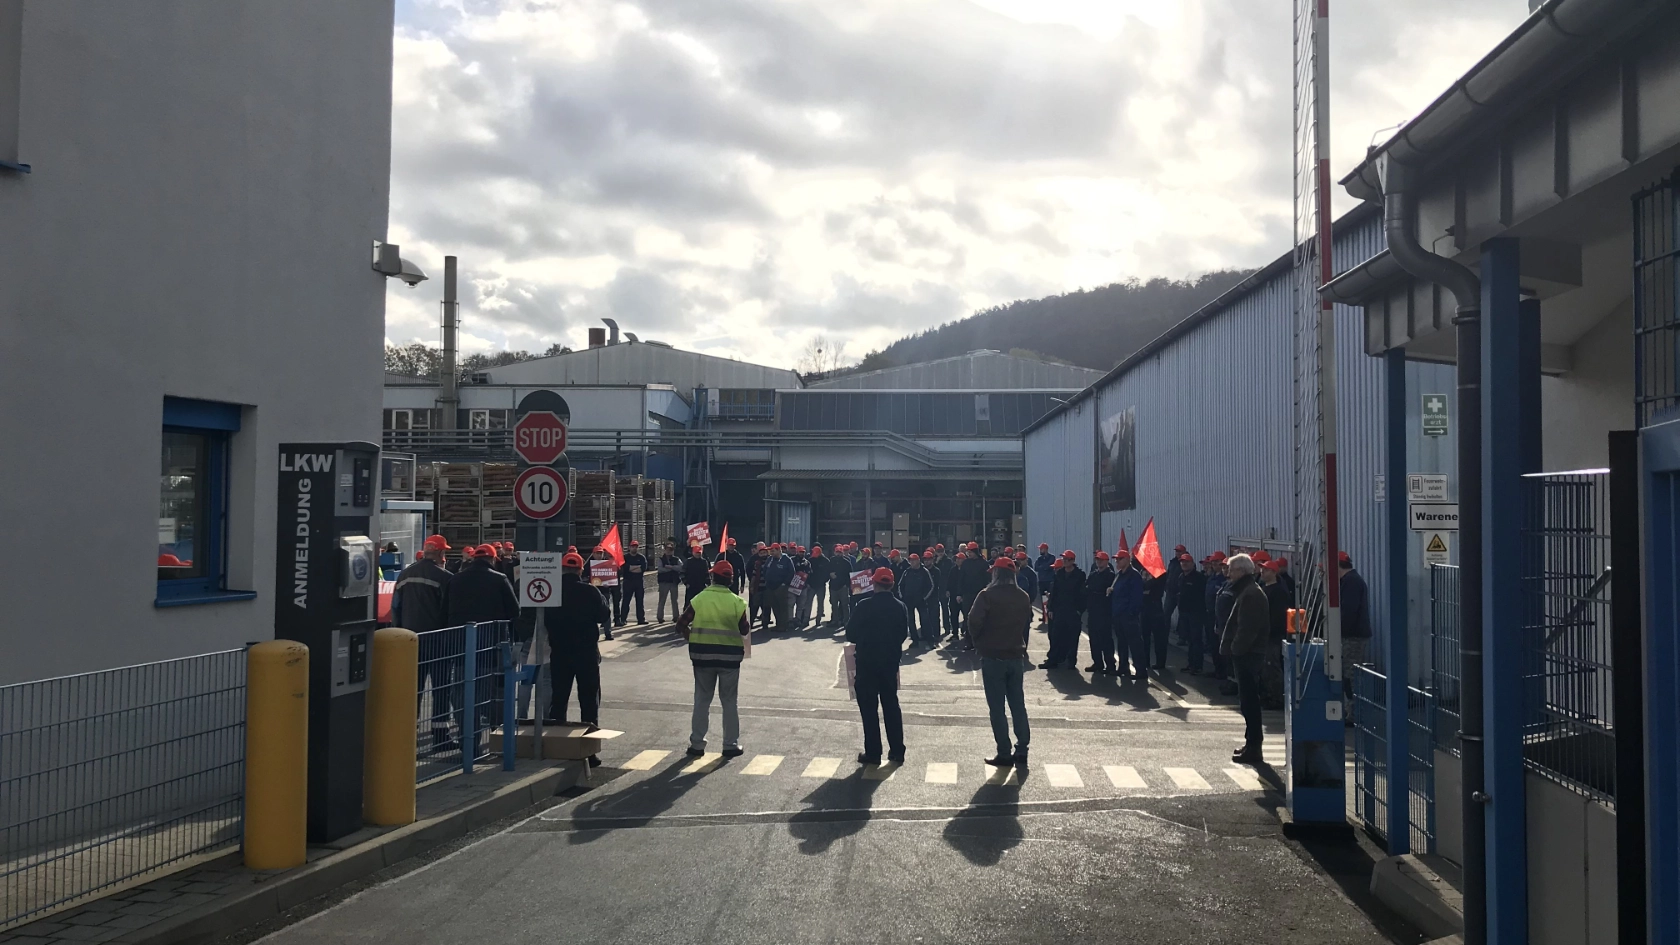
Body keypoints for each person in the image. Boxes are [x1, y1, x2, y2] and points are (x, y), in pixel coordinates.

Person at [441, 544, 520, 752]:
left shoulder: (455, 579)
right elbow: (515, 610)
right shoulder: (499, 579)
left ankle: (469, 741)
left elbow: (443, 611)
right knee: (489, 695)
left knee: (461, 694)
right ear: (493, 560)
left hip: (460, 646)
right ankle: (494, 739)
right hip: (491, 646)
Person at [674, 560, 751, 758]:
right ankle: (730, 745)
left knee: (702, 700)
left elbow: (680, 624)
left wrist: (690, 637)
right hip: (729, 660)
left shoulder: (700, 599)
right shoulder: (737, 602)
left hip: (702, 658)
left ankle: (697, 745)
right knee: (729, 701)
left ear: (712, 577)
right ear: (731, 580)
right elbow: (745, 630)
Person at [546, 553, 612, 765]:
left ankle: (556, 748)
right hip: (586, 653)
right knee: (589, 701)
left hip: (560, 652)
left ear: (562, 569)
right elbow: (603, 615)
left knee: (559, 700)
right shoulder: (589, 591)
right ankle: (589, 753)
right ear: (581, 570)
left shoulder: (552, 591)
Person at [966, 556, 1032, 768]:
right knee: (1017, 704)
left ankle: (1004, 752)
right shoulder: (1023, 596)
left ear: (996, 574)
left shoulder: (987, 595)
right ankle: (1022, 748)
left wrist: (979, 642)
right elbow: (1026, 621)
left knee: (997, 708)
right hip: (1015, 656)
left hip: (993, 656)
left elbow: (973, 621)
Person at [394, 535, 454, 748]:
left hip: (410, 641)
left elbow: (396, 608)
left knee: (413, 689)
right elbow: (449, 611)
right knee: (441, 689)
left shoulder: (404, 574)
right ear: (440, 553)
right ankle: (440, 737)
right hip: (439, 641)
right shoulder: (445, 578)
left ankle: (408, 735)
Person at [845, 567, 908, 765]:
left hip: (867, 662)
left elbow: (851, 634)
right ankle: (897, 750)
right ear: (891, 584)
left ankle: (873, 752)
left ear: (874, 583)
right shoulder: (900, 606)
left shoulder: (864, 606)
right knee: (891, 705)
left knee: (869, 709)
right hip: (889, 663)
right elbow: (903, 634)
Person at [1219, 554, 1271, 766]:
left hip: (1249, 655)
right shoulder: (1247, 591)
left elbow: (1247, 629)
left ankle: (1254, 747)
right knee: (1247, 701)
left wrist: (1235, 650)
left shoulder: (1251, 594)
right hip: (1247, 654)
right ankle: (1251, 744)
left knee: (1250, 702)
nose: (1228, 574)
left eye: (1231, 570)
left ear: (1241, 571)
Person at [1042, 550, 1085, 670]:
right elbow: (1054, 592)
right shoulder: (1059, 574)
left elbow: (1083, 595)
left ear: (1072, 561)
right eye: (1064, 559)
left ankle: (1070, 661)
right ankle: (1053, 660)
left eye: (1067, 559)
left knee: (1072, 637)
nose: (1065, 561)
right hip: (1059, 610)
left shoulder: (1079, 575)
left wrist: (1079, 611)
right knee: (1056, 636)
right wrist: (1050, 608)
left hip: (1072, 611)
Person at [1339, 551, 1371, 709]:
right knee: (1348, 674)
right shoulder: (1351, 581)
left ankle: (1354, 711)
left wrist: (1338, 629)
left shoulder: (1350, 582)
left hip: (1352, 637)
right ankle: (1352, 710)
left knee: (1350, 674)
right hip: (1352, 634)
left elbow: (1348, 611)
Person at [1108, 549, 1146, 681]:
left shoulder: (1134, 575)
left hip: (1128, 615)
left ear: (1127, 560)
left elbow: (1136, 597)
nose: (1117, 562)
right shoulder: (1119, 575)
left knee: (1135, 644)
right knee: (1122, 643)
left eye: (1120, 559)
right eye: (1116, 560)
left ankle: (1141, 670)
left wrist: (1131, 613)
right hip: (1118, 614)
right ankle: (1123, 666)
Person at [1176, 554, 1210, 674]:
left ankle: (1197, 665)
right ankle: (1191, 664)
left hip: (1196, 613)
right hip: (1184, 613)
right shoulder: (1181, 577)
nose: (1184, 564)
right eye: (1182, 562)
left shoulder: (1199, 578)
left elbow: (1203, 595)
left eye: (1186, 562)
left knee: (1196, 640)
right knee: (1189, 639)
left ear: (1192, 563)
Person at [1083, 550, 1116, 674]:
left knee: (1106, 639)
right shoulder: (1093, 574)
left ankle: (1110, 665)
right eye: (1097, 560)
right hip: (1093, 610)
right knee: (1094, 639)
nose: (1098, 562)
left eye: (1101, 560)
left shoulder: (1111, 576)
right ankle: (1097, 663)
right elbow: (1086, 587)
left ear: (1107, 561)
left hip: (1104, 612)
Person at [898, 552, 937, 644]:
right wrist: (902, 596)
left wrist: (924, 598)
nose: (912, 562)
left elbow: (931, 586)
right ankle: (915, 640)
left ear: (918, 561)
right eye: (910, 560)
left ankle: (930, 640)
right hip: (908, 600)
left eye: (914, 560)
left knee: (925, 620)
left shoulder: (924, 571)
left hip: (921, 601)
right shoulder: (906, 572)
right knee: (910, 621)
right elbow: (900, 585)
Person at [955, 543, 989, 644]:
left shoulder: (983, 563)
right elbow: (961, 579)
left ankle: (980, 641)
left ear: (975, 552)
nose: (968, 554)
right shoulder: (966, 563)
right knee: (967, 617)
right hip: (967, 594)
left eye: (970, 552)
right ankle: (968, 641)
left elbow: (987, 579)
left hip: (980, 595)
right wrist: (959, 594)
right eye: (968, 552)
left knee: (981, 617)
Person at [761, 542, 795, 630]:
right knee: (774, 606)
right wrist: (767, 579)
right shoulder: (770, 559)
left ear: (779, 550)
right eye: (770, 551)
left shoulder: (786, 559)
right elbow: (765, 570)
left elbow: (792, 572)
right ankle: (778, 624)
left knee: (782, 607)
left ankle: (784, 626)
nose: (771, 553)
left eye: (773, 551)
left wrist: (785, 583)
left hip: (781, 587)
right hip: (770, 587)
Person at [618, 539, 648, 627]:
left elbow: (642, 569)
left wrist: (632, 568)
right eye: (632, 546)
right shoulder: (625, 558)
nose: (634, 548)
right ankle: (623, 619)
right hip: (628, 582)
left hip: (639, 582)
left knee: (640, 601)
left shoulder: (641, 557)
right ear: (629, 547)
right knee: (626, 601)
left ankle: (641, 619)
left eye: (635, 547)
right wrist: (635, 568)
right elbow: (625, 569)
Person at [827, 543, 854, 628]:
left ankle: (846, 621)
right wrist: (830, 574)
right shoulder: (831, 560)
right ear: (834, 552)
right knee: (834, 605)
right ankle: (835, 621)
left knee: (845, 605)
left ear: (842, 552)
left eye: (840, 552)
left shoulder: (847, 562)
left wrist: (847, 585)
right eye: (837, 552)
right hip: (833, 587)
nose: (838, 554)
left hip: (843, 587)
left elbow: (851, 574)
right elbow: (826, 571)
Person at [656, 542, 683, 622]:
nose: (669, 551)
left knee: (674, 600)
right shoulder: (661, 559)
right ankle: (660, 617)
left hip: (673, 582)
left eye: (671, 550)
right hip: (663, 582)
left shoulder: (676, 559)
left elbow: (681, 567)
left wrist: (671, 567)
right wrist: (671, 569)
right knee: (662, 600)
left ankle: (676, 617)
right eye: (667, 549)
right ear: (664, 550)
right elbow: (660, 569)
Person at [805, 545, 831, 627]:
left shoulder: (826, 561)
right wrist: (808, 583)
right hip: (811, 585)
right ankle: (806, 620)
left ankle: (818, 620)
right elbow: (806, 572)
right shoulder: (810, 560)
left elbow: (828, 573)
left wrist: (824, 581)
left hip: (821, 585)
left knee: (820, 603)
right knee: (808, 603)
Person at [1033, 543, 1056, 626]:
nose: (1040, 550)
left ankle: (1049, 615)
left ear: (1045, 549)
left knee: (1049, 598)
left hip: (1049, 581)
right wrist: (1044, 567)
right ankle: (1044, 615)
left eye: (1041, 549)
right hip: (1042, 581)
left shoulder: (1052, 557)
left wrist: (1043, 567)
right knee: (1043, 599)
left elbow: (1050, 566)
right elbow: (1036, 567)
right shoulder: (1039, 559)